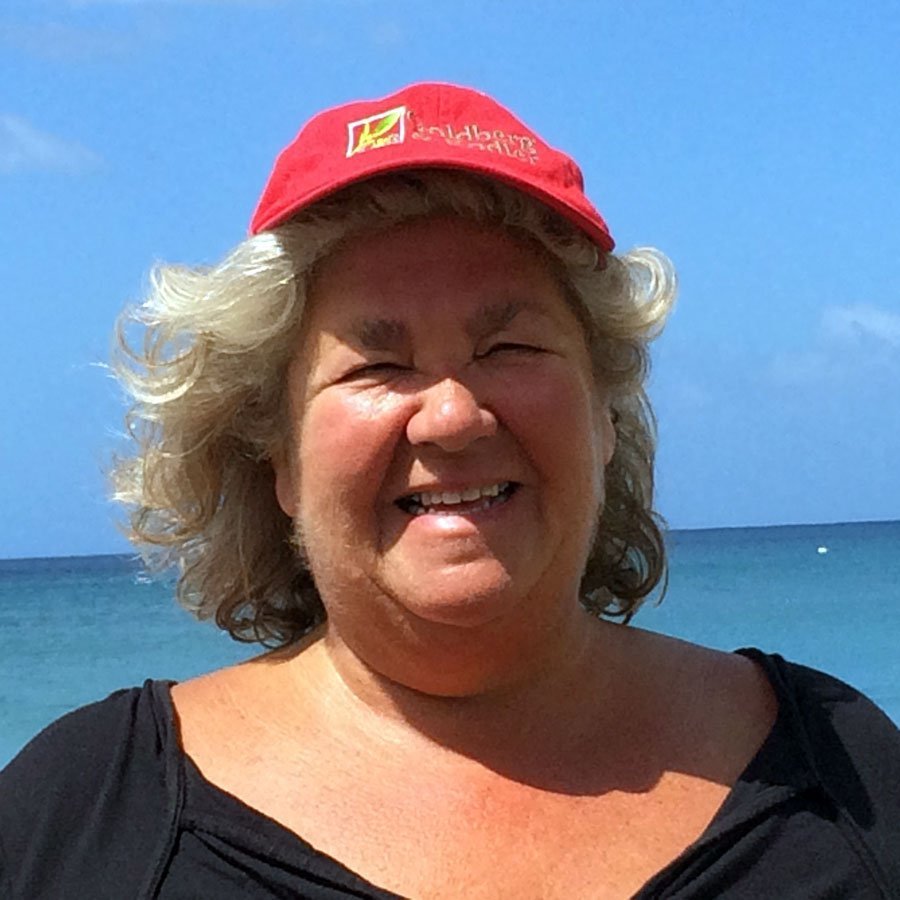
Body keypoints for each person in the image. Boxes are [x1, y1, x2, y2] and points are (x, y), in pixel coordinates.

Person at [1, 82, 898, 900]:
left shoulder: (849, 779)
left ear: (605, 414)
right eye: (377, 364)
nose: (453, 417)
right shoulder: (83, 815)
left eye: (509, 348)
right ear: (278, 457)